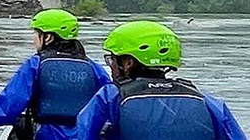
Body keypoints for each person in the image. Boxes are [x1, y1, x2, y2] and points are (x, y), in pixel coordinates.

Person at [73, 21, 244, 140]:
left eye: (112, 60)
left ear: (127, 63)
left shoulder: (111, 96)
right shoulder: (204, 100)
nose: (110, 66)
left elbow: (84, 133)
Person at [0, 9, 111, 139]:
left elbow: (8, 106)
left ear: (48, 37)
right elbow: (111, 105)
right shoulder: (94, 68)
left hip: (46, 135)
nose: (34, 39)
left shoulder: (35, 65)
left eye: (36, 33)